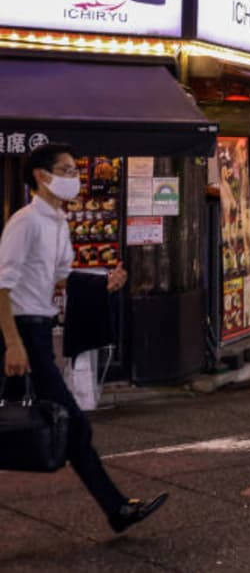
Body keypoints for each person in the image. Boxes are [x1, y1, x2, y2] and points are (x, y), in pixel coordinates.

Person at [0, 143, 167, 533]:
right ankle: (116, 508)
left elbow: (58, 278)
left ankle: (117, 508)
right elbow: (2, 286)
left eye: (75, 171)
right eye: (67, 170)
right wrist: (12, 342)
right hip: (20, 329)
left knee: (70, 428)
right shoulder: (25, 222)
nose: (75, 178)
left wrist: (103, 284)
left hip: (36, 330)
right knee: (72, 424)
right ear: (42, 176)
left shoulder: (58, 222)